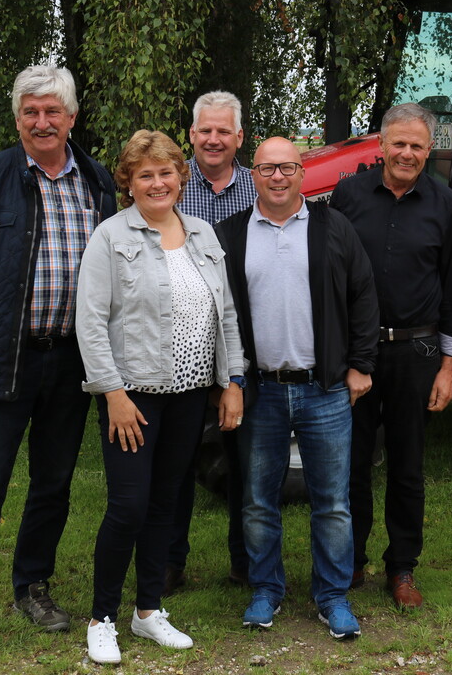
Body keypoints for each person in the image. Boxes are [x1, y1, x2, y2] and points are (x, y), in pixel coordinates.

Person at [0, 64, 116, 665]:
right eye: (30, 112)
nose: (42, 122)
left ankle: (32, 586)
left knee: (53, 484)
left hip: (69, 362)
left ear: (71, 117)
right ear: (18, 119)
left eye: (52, 111)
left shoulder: (96, 182)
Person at [76, 130, 246, 664]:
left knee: (165, 505)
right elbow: (91, 323)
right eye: (144, 174)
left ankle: (147, 611)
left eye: (166, 172)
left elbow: (227, 315)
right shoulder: (110, 237)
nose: (157, 182)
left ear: (182, 176)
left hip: (191, 394)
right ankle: (102, 618)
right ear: (128, 181)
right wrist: (112, 394)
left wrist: (232, 380)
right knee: (128, 506)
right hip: (134, 398)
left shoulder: (201, 234)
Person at [215, 137, 379, 639]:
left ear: (303, 171)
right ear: (254, 175)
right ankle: (266, 590)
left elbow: (363, 296)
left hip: (324, 388)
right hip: (260, 389)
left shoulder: (333, 227)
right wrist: (231, 380)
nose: (278, 177)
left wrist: (360, 365)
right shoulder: (232, 233)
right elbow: (219, 313)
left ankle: (332, 596)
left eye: (287, 167)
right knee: (258, 500)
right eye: (267, 169)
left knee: (332, 501)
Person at [329, 102, 452, 609]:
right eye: (399, 143)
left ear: (430, 151)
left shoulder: (446, 204)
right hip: (358, 353)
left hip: (419, 350)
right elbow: (331, 277)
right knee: (353, 463)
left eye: (418, 145)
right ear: (381, 146)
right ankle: (351, 561)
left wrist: (449, 366)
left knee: (408, 465)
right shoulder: (348, 195)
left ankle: (403, 567)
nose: (407, 153)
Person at [166, 90, 259, 593]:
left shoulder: (259, 187)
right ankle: (170, 562)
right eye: (205, 130)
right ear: (192, 135)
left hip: (243, 345)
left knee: (244, 459)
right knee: (177, 460)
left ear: (239, 137)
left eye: (224, 130)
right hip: (179, 347)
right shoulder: (169, 187)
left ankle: (245, 564)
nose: (214, 139)